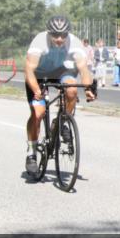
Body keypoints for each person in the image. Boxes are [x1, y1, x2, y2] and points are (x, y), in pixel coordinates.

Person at [24, 16, 96, 174]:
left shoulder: (75, 43)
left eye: (63, 35)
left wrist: (88, 88)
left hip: (62, 72)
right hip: (38, 75)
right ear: (48, 33)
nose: (59, 39)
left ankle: (61, 121)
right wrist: (37, 90)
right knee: (38, 114)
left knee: (72, 90)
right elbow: (29, 70)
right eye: (55, 35)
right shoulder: (39, 41)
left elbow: (83, 69)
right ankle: (31, 153)